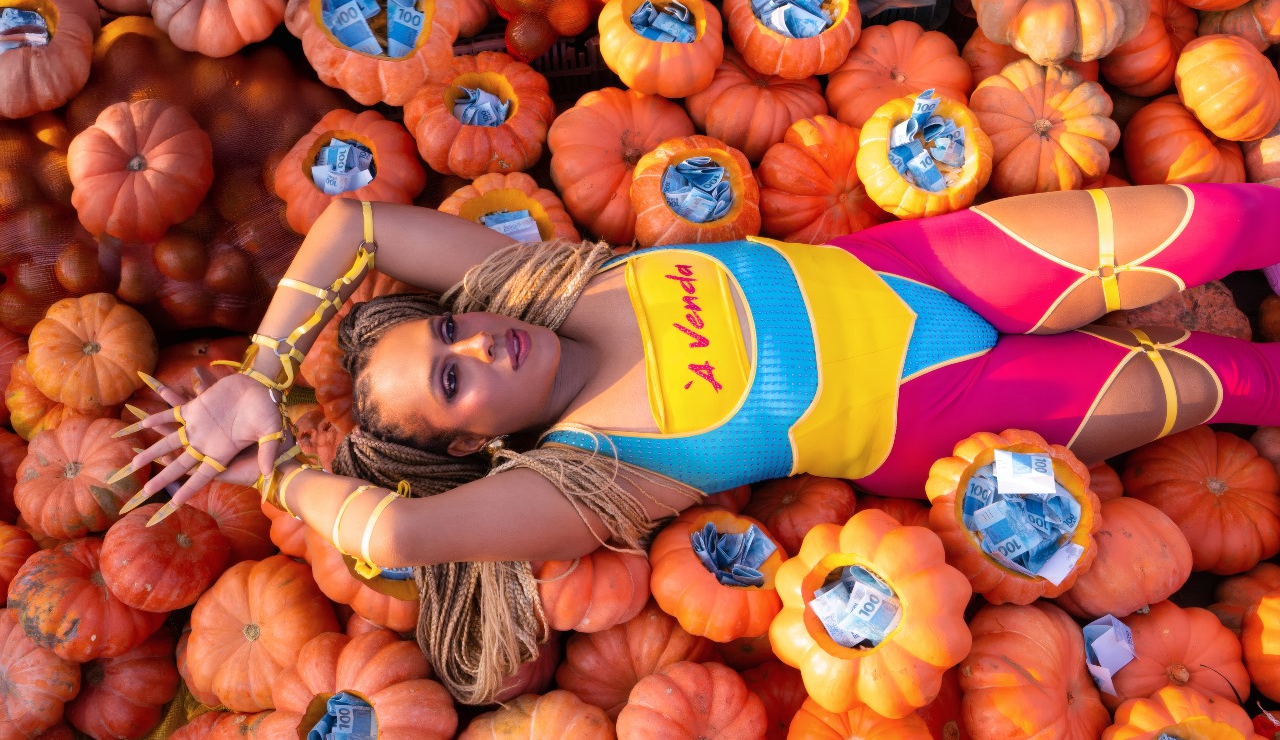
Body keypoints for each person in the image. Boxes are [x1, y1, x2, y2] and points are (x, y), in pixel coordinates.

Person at [112, 182, 1280, 702]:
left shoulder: (561, 280)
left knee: (1220, 218)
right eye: (456, 382)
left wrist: (262, 366)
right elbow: (400, 529)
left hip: (921, 262)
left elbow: (352, 225)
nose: (483, 344)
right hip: (941, 407)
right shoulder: (589, 475)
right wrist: (277, 463)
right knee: (1222, 381)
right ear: (472, 445)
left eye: (454, 326)